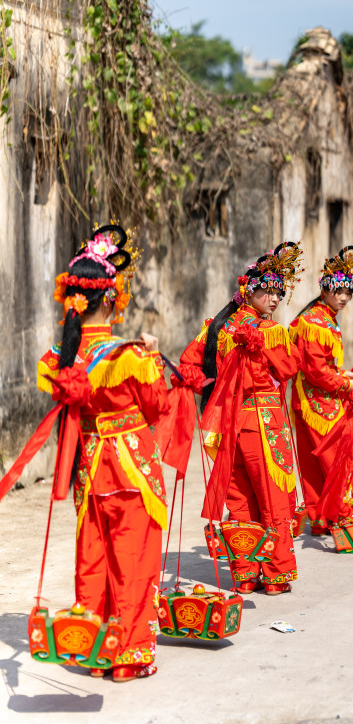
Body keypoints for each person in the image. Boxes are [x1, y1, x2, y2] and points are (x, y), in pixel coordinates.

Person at [37, 225, 170, 682]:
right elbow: (158, 406)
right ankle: (128, 655)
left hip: (89, 466)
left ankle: (91, 650)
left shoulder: (61, 356)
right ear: (110, 297)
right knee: (132, 560)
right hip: (131, 465)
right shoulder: (129, 355)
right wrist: (152, 356)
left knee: (93, 556)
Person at [180, 243, 303, 596]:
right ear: (249, 289)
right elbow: (289, 368)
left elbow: (189, 364)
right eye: (269, 291)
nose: (275, 299)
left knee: (241, 501)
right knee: (271, 497)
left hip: (227, 425)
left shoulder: (215, 327)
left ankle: (246, 572)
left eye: (279, 293)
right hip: (263, 423)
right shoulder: (270, 332)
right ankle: (276, 573)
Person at [289, 245, 353, 534]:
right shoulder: (314, 323)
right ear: (324, 290)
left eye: (348, 292)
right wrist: (345, 382)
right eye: (338, 291)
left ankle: (323, 518)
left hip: (317, 397)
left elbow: (323, 366)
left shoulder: (323, 319)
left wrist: (342, 373)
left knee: (318, 461)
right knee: (334, 459)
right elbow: (315, 372)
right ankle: (343, 514)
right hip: (316, 401)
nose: (344, 297)